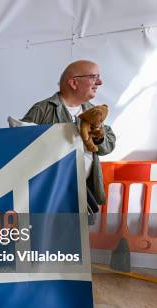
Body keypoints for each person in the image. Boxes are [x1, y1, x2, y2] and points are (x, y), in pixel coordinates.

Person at [21, 60, 115, 207]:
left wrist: (99, 137)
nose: (99, 82)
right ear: (73, 83)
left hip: (84, 192)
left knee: (80, 230)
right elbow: (21, 147)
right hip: (50, 194)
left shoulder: (93, 112)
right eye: (93, 77)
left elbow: (108, 146)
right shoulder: (42, 109)